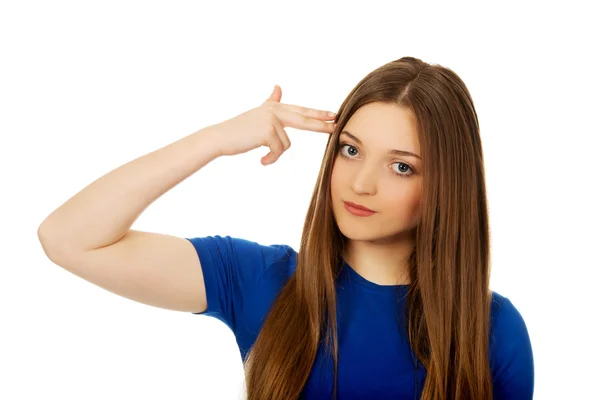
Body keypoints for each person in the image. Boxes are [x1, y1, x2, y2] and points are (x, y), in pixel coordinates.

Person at [37, 56, 534, 400]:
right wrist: (215, 140)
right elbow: (68, 238)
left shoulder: (491, 331)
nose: (360, 183)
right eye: (350, 149)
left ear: (448, 185)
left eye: (401, 166)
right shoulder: (262, 280)